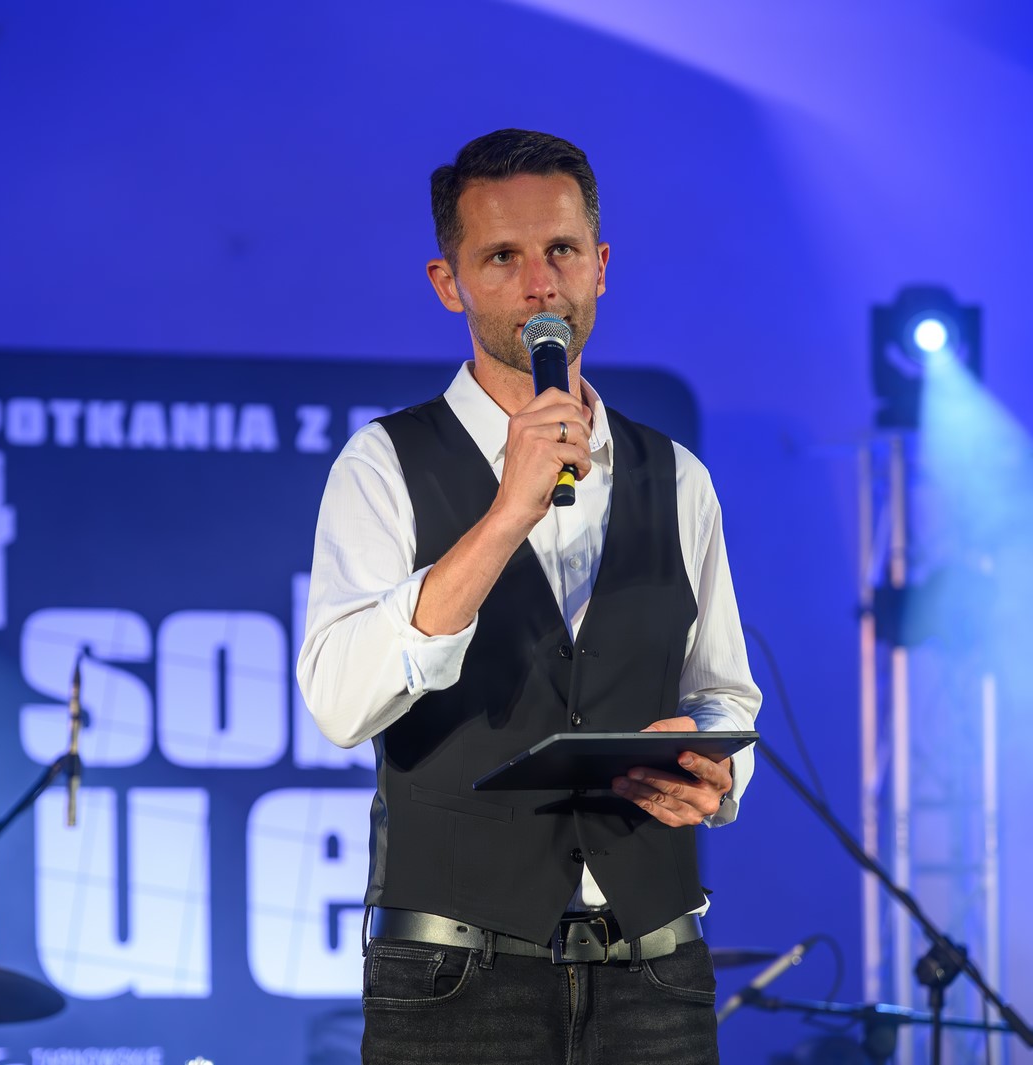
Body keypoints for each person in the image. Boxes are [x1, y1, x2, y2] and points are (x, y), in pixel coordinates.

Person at [296, 129, 762, 1065]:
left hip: (655, 973)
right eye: (502, 257)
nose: (540, 284)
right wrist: (507, 513)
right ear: (450, 282)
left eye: (561, 250)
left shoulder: (678, 476)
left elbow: (723, 694)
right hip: (457, 978)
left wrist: (716, 771)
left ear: (601, 265)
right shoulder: (384, 463)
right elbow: (339, 702)